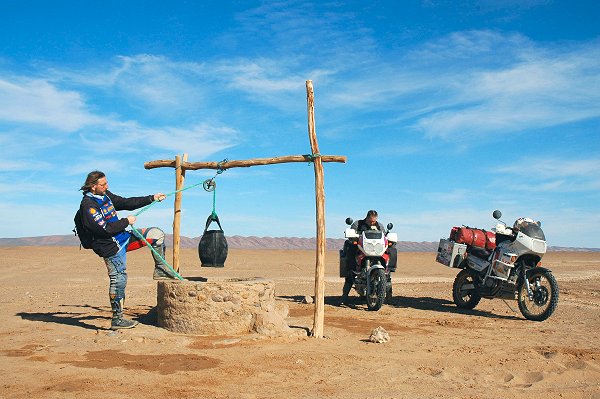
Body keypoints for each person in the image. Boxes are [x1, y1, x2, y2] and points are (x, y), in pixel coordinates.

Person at [78, 170, 177, 330]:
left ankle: (160, 269)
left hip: (123, 238)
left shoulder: (106, 196)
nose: (107, 186)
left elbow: (125, 203)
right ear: (92, 187)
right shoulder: (88, 206)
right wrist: (126, 221)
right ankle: (117, 319)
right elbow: (104, 229)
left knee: (156, 234)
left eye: (106, 183)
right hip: (110, 247)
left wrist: (152, 198)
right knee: (119, 279)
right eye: (103, 184)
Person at [341, 210, 397, 305]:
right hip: (362, 248)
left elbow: (384, 236)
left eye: (374, 221)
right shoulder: (357, 224)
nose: (372, 223)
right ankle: (344, 297)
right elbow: (352, 234)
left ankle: (389, 297)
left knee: (392, 249)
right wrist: (353, 237)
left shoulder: (379, 226)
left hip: (376, 249)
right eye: (370, 221)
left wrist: (389, 238)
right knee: (349, 248)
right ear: (366, 218)